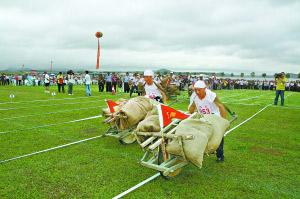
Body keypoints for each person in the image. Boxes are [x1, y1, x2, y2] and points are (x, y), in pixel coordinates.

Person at [188, 80, 227, 162]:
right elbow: (191, 108)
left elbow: (221, 106)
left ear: (204, 89)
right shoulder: (194, 96)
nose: (197, 92)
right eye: (195, 90)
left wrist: (223, 121)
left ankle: (220, 155)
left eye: (199, 90)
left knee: (218, 136)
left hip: (214, 116)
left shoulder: (211, 95)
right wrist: (191, 109)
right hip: (203, 117)